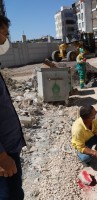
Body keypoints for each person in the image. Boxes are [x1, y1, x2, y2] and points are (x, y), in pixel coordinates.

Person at [0, 15, 26, 200]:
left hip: (8, 148)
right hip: (4, 154)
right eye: (4, 33)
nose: (6, 39)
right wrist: (1, 157)